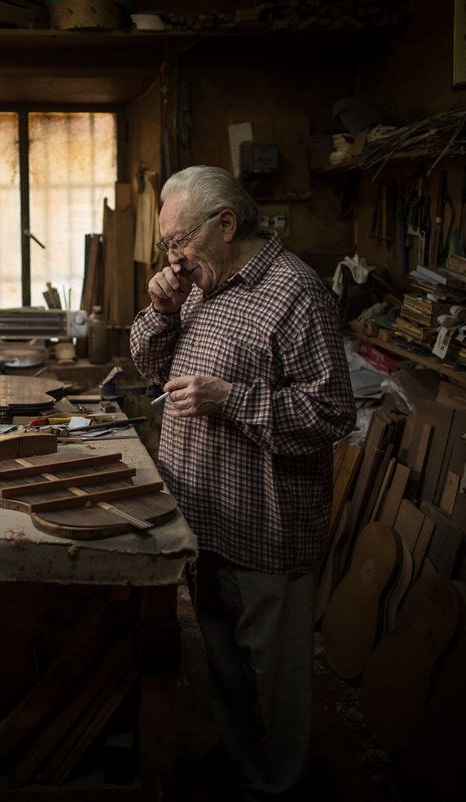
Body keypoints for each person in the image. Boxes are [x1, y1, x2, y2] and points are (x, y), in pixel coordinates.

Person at [130, 165, 354, 800]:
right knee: (224, 663)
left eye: (178, 241)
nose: (172, 258)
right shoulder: (200, 287)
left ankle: (280, 784)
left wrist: (230, 398)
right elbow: (148, 364)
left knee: (275, 677)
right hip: (203, 517)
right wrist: (160, 311)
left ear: (225, 224)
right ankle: (241, 763)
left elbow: (334, 413)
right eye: (166, 245)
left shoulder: (295, 294)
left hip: (267, 524)